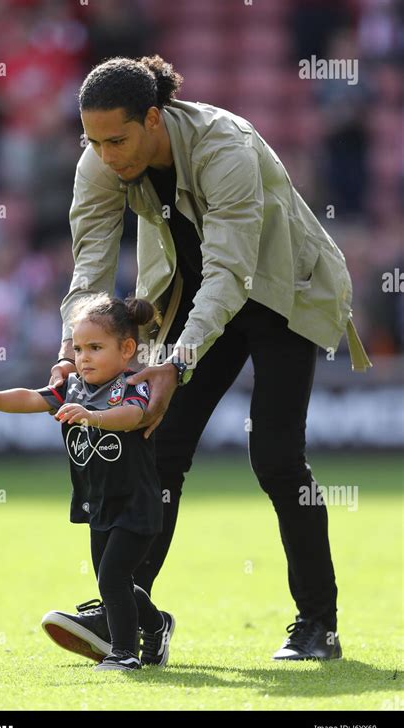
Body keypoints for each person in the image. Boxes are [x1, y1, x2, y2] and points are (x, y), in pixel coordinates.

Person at [49, 55, 373, 662]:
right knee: (155, 439)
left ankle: (317, 625)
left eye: (117, 139)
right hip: (193, 300)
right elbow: (89, 268)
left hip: (280, 293)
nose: (107, 155)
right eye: (93, 141)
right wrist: (73, 345)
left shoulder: (225, 146)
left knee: (277, 460)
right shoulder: (101, 157)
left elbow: (231, 271)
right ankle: (134, 611)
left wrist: (173, 364)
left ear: (153, 118)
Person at [0, 293, 175, 671]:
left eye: (95, 347)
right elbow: (31, 397)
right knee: (115, 580)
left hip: (136, 501)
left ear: (126, 349)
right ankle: (156, 625)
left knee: (112, 577)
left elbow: (132, 417)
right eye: (78, 348)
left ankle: (123, 653)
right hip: (98, 501)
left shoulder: (133, 385)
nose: (84, 357)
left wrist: (93, 416)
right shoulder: (71, 388)